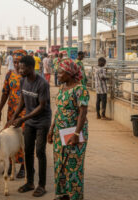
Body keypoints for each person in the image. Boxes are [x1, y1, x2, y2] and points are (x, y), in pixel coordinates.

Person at [7, 55, 51, 197]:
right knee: (28, 151)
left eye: (22, 68)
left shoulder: (42, 83)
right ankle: (30, 182)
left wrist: (23, 118)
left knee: (40, 152)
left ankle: (42, 185)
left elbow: (42, 106)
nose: (19, 70)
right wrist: (14, 117)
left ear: (31, 68)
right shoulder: (23, 80)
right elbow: (22, 101)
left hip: (42, 121)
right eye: (18, 67)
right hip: (30, 121)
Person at [48, 58, 89, 200]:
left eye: (60, 72)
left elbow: (83, 112)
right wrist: (52, 129)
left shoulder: (80, 89)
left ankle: (75, 196)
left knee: (73, 165)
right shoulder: (62, 88)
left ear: (70, 73)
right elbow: (59, 110)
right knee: (60, 163)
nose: (57, 75)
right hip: (60, 133)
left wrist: (76, 134)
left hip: (73, 133)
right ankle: (63, 194)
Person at [0, 49, 27, 178]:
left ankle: (24, 167)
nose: (16, 64)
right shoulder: (9, 74)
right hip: (12, 112)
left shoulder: (29, 75)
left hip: (26, 112)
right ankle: (11, 165)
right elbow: (5, 92)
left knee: (24, 139)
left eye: (19, 62)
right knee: (10, 137)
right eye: (14, 61)